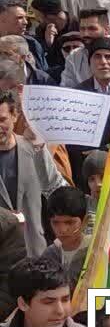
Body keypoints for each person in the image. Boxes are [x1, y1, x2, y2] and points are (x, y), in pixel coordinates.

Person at [0, 90, 65, 257]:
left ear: (15, 116)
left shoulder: (33, 148)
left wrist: (39, 146)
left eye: (2, 120)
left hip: (34, 251)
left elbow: (54, 187)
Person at [43, 186, 89, 289]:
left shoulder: (94, 249)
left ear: (85, 221)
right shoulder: (50, 255)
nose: (62, 230)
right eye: (55, 222)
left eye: (69, 222)